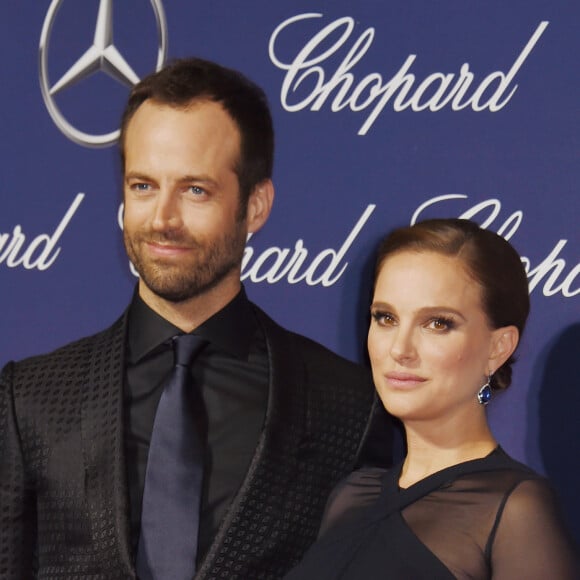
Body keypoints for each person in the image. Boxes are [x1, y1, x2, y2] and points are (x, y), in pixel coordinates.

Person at [0, 58, 390, 579]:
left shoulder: (347, 406)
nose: (162, 219)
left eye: (194, 190)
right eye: (143, 186)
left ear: (255, 206)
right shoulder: (29, 399)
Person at [286, 218, 579, 579]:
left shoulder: (515, 510)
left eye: (437, 323)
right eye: (385, 317)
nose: (400, 348)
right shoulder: (352, 495)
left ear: (497, 348)